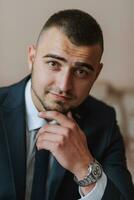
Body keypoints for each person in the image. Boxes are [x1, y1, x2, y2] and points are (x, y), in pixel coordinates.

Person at [0, 9, 134, 200]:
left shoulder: (104, 121)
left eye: (81, 72)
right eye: (54, 64)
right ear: (32, 58)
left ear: (96, 74)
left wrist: (84, 167)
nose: (64, 86)